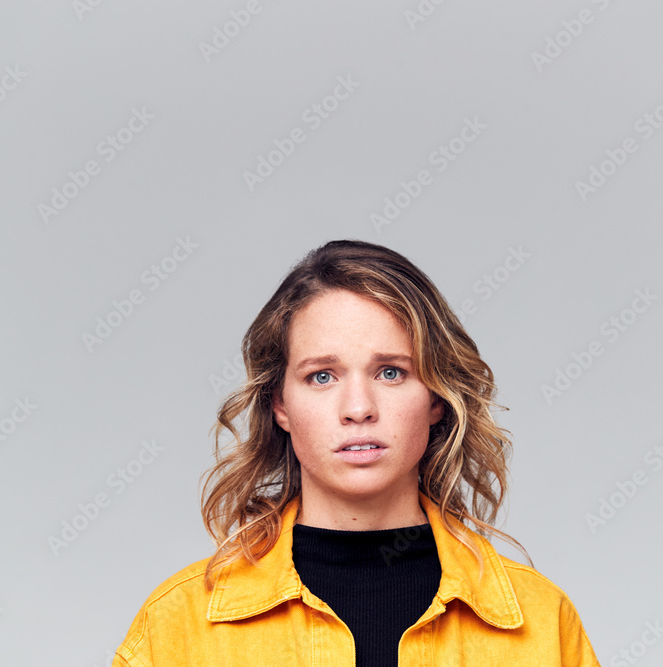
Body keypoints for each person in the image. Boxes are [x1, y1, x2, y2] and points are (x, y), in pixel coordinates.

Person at [112, 239, 600, 666]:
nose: (359, 408)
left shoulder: (540, 620)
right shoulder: (178, 627)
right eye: (321, 376)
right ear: (280, 404)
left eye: (391, 372)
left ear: (436, 398)